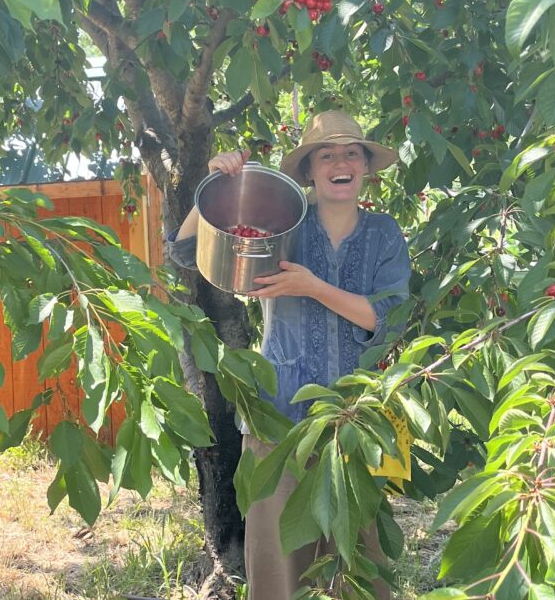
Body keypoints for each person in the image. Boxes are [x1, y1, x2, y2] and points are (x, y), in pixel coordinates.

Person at [165, 110, 412, 599]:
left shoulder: (384, 233)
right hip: (277, 421)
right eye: (326, 154)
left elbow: (389, 317)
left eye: (351, 153)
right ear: (309, 170)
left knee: (361, 566)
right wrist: (214, 184)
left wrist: (313, 286)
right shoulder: (282, 220)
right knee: (278, 561)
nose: (340, 162)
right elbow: (185, 251)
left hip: (358, 424)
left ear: (365, 167)